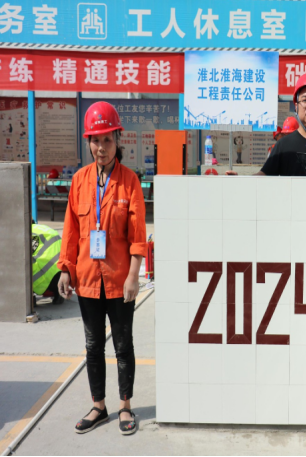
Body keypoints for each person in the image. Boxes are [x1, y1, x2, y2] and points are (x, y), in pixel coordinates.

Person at [58, 101, 147, 435]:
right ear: (88, 142)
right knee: (93, 346)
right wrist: (66, 269)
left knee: (123, 345)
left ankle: (125, 406)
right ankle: (99, 406)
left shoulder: (130, 182)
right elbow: (70, 231)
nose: (101, 147)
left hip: (119, 280)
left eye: (107, 140)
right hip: (87, 281)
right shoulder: (79, 181)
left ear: (117, 139)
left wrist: (133, 276)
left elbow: (138, 237)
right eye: (95, 140)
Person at [227, 71, 306, 177]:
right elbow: (263, 177)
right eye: (305, 100)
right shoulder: (283, 146)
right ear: (296, 106)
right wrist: (240, 180)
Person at [32, 223, 64, 305]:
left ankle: (29, 296)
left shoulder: (26, 232)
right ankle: (58, 293)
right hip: (62, 271)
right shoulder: (42, 228)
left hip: (46, 276)